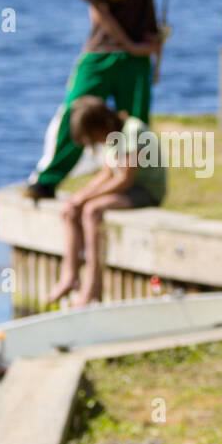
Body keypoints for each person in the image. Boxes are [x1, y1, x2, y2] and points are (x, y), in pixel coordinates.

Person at [24, 0, 191, 201]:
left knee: (135, 126)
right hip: (102, 54)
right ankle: (47, 180)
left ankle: (137, 182)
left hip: (137, 56)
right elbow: (98, 12)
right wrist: (129, 44)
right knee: (77, 113)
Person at [47, 96, 166, 308]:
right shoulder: (113, 135)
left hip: (145, 191)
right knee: (71, 209)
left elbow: (124, 179)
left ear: (100, 124)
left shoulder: (132, 130)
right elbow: (107, 172)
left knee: (92, 210)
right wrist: (78, 197)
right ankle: (70, 275)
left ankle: (92, 284)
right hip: (127, 188)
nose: (97, 142)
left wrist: (86, 199)